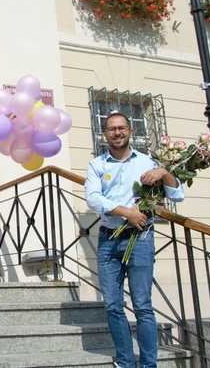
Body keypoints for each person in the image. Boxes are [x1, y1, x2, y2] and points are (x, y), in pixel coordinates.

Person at [85, 111, 184, 368]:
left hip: (140, 239)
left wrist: (164, 172)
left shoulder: (147, 162)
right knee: (113, 305)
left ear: (130, 131)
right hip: (109, 239)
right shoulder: (98, 165)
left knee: (142, 305)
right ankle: (126, 362)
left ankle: (149, 364)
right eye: (111, 129)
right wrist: (126, 212)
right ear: (104, 133)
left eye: (121, 128)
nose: (117, 133)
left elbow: (177, 194)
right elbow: (93, 199)